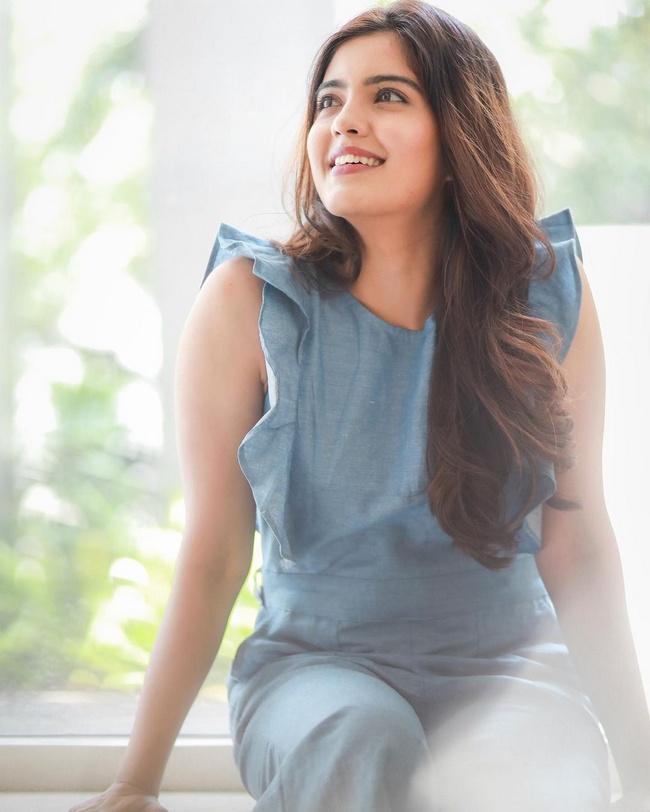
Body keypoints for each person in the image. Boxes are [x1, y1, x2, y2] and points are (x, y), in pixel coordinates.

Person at [71, 2, 650, 810]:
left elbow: (577, 545)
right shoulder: (247, 302)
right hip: (315, 672)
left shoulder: (546, 292)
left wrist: (641, 766)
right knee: (361, 738)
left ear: (459, 135)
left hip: (514, 675)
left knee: (515, 782)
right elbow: (213, 555)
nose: (343, 120)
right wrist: (136, 782)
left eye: (387, 95)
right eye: (328, 99)